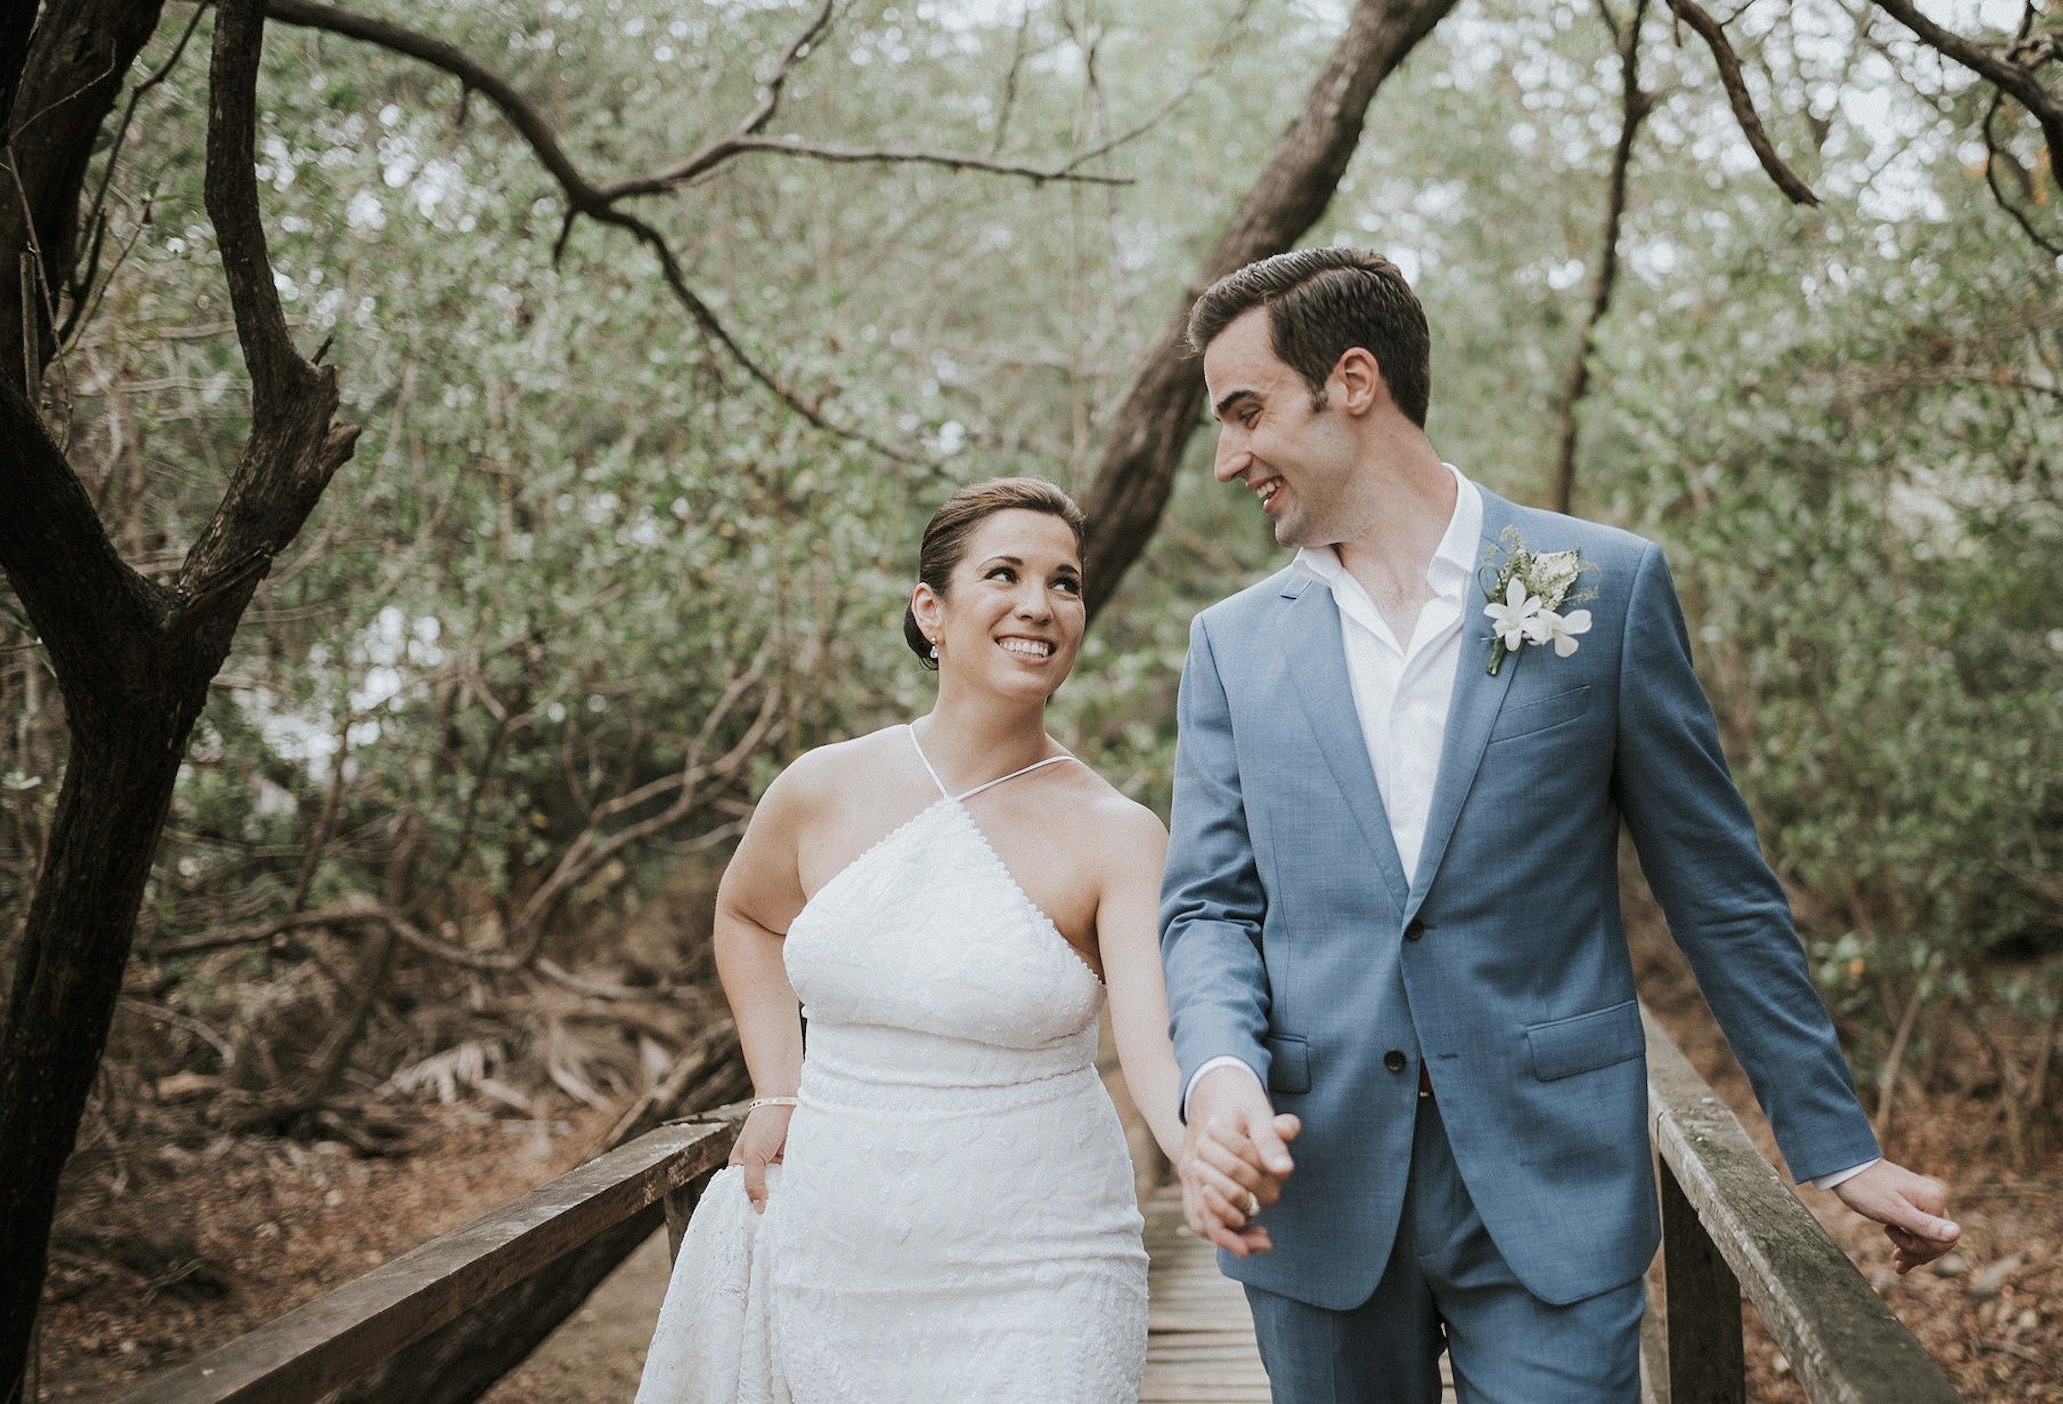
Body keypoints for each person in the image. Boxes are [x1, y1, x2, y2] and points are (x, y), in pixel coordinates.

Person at [1159, 247, 1961, 1402]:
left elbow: (1717, 891)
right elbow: (1207, 906)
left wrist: (1833, 1145)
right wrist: (1218, 1071)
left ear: (1350, 381)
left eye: (1244, 412)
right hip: (1314, 1182)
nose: (1228, 459)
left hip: (1549, 1182)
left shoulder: (1602, 585)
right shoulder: (1230, 645)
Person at [636, 478, 1184, 1403]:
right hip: (838, 1245)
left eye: (1065, 583)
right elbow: (747, 917)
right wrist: (778, 1086)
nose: (1039, 606)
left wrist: (1198, 1145)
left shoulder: (1117, 833)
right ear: (929, 609)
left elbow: (1154, 1043)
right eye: (1003, 574)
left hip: (1044, 1261)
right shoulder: (824, 788)